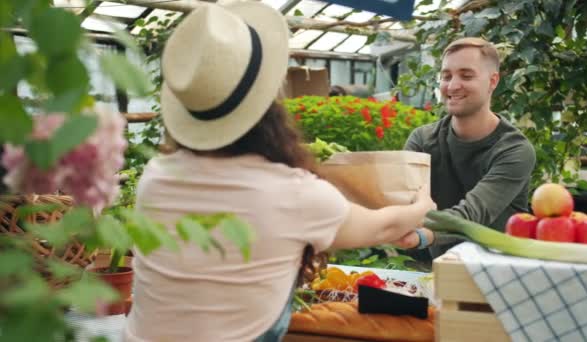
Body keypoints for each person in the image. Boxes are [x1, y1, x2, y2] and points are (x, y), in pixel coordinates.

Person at [123, 2, 436, 341]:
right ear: (269, 103)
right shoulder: (292, 193)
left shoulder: (156, 177)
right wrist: (422, 208)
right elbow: (383, 226)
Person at [398, 37, 536, 257]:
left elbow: (472, 213)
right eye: (446, 76)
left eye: (466, 75)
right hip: (441, 273)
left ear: (492, 81)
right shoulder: (423, 140)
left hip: (503, 276)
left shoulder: (514, 150)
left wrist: (420, 235)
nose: (452, 86)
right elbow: (402, 196)